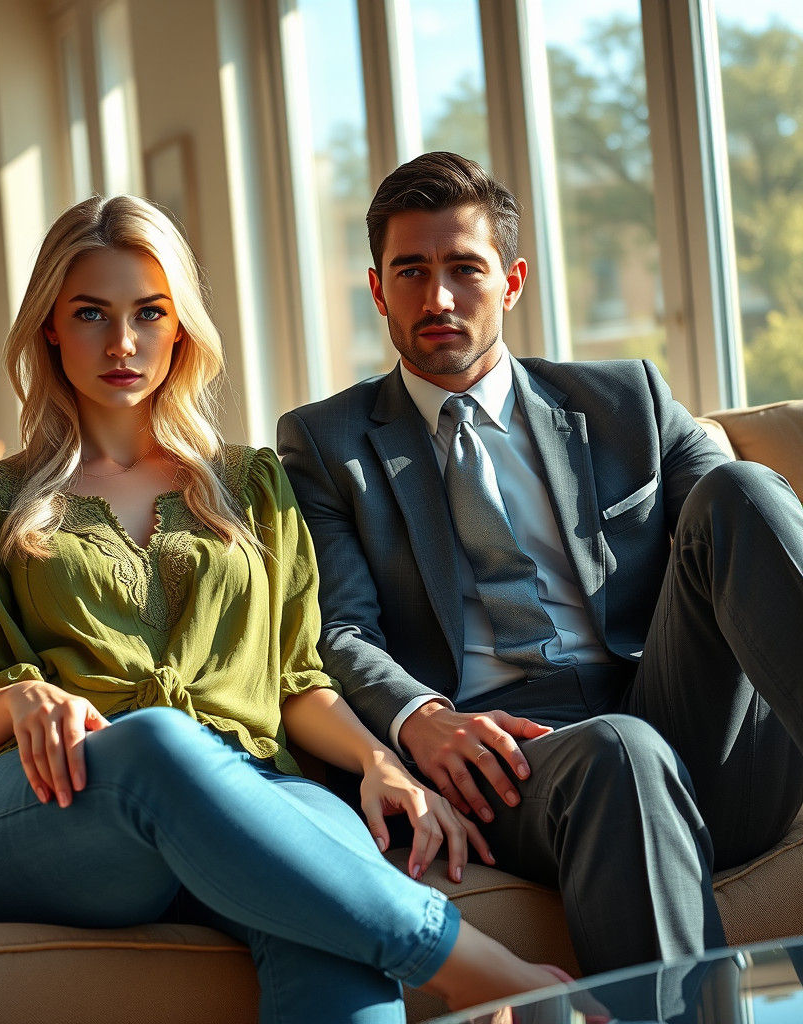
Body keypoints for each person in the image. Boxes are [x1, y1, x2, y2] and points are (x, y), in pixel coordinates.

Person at [0, 193, 570, 1024]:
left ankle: (422, 954)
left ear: (180, 328)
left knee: (322, 892)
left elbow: (297, 677)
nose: (122, 343)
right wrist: (17, 698)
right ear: (50, 329)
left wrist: (374, 760)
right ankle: (471, 966)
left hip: (247, 789)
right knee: (157, 740)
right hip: (51, 812)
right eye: (91, 315)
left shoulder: (251, 487)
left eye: (150, 313)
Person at [277, 151, 803, 979]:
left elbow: (745, 523)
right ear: (377, 290)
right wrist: (418, 716)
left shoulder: (625, 397)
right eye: (410, 271)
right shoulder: (325, 444)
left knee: (740, 488)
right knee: (619, 751)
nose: (438, 297)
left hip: (687, 722)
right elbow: (340, 627)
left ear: (512, 281)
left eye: (464, 269)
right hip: (515, 764)